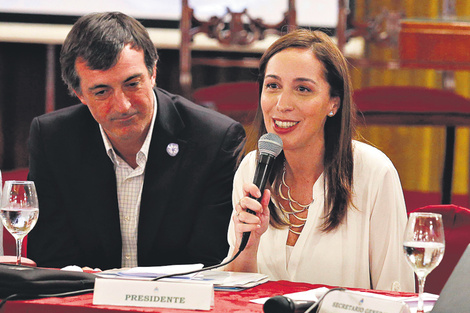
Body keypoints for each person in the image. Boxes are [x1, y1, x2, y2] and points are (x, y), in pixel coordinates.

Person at [26, 12, 245, 270]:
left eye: (132, 84)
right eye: (101, 91)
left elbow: (211, 262)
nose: (123, 105)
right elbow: (50, 258)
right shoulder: (54, 139)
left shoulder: (214, 140)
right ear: (79, 94)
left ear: (152, 73)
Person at [223, 29, 415, 292]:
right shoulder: (251, 169)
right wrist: (249, 245)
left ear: (333, 103)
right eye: (273, 86)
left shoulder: (373, 173)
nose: (282, 104)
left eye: (302, 89)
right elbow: (233, 298)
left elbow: (397, 294)